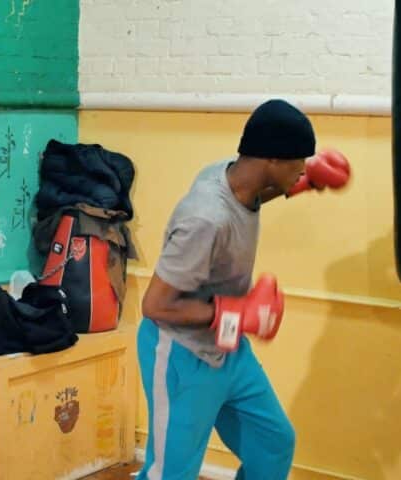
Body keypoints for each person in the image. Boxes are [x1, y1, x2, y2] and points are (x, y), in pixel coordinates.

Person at [137, 99, 350, 480]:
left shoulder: (234, 175)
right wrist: (234, 313)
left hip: (229, 350)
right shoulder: (205, 217)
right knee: (171, 472)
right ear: (271, 159)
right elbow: (154, 305)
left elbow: (254, 195)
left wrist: (310, 180)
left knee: (273, 443)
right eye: (298, 161)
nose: (302, 167)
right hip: (181, 355)